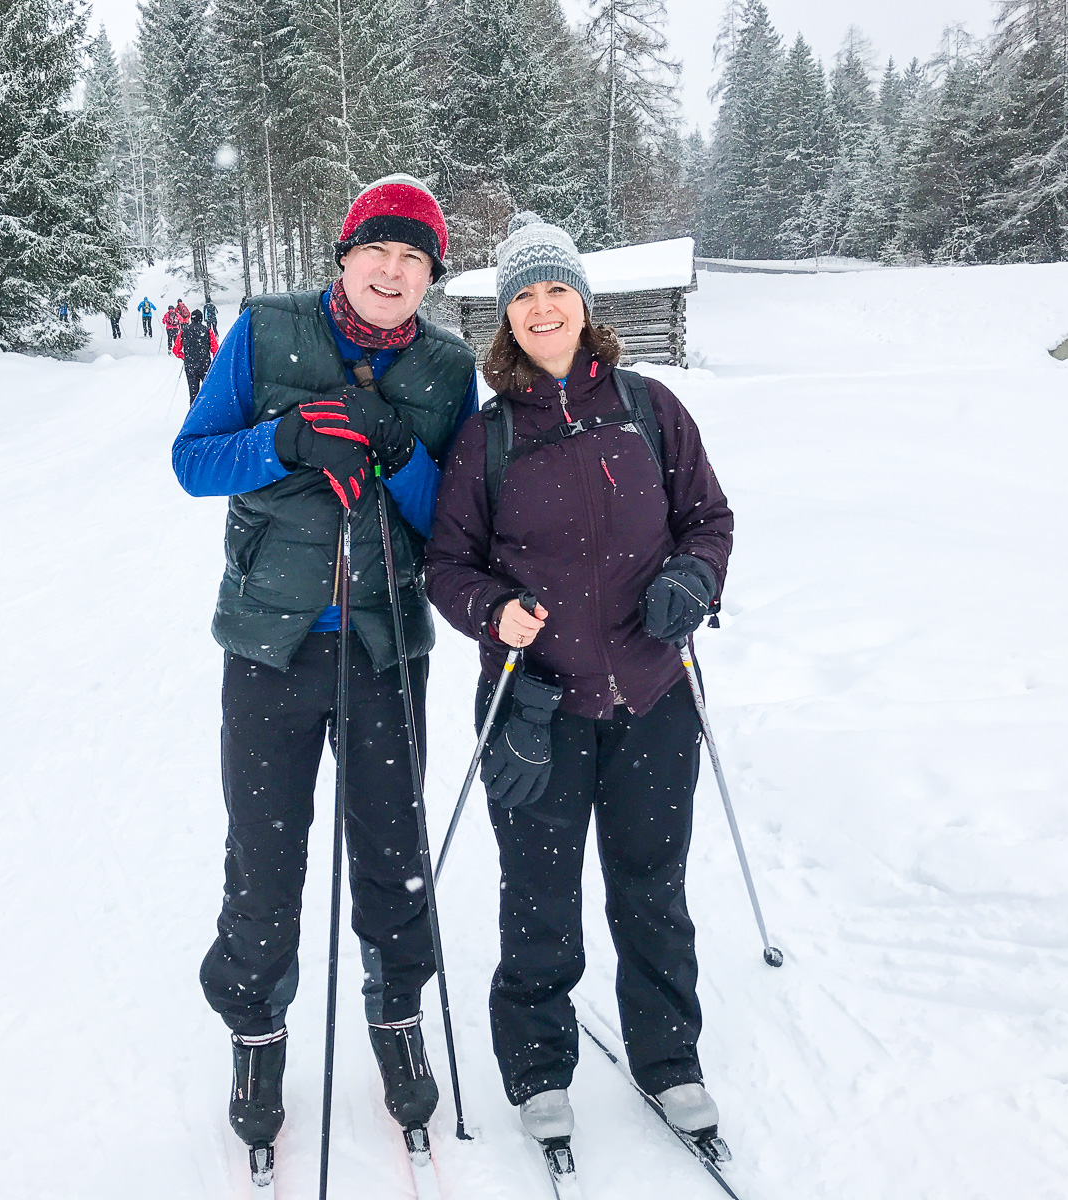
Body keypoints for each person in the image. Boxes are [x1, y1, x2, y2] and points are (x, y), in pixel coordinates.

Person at [171, 175, 479, 1155]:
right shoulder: (264, 334)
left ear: (429, 276)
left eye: (413, 260)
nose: (391, 273)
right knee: (265, 858)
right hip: (271, 646)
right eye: (375, 252)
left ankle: (395, 1016)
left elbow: (455, 524)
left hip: (388, 647)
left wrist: (402, 460)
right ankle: (256, 1027)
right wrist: (283, 439)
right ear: (343, 256)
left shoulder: (445, 370)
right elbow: (193, 461)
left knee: (393, 849)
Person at [424, 213, 735, 1150]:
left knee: (651, 887)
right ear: (507, 319)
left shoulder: (648, 410)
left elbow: (709, 520)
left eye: (556, 288)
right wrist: (491, 612)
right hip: (538, 710)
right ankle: (537, 1065)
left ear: (584, 303)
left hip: (653, 696)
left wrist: (692, 580)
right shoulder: (486, 440)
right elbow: (448, 564)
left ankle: (669, 1059)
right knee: (540, 894)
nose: (543, 306)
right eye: (524, 294)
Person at [172, 309, 219, 405]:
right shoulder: (207, 330)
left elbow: (176, 350)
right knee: (208, 392)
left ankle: (194, 415)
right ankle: (208, 412)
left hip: (190, 366)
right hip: (205, 364)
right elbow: (215, 349)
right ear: (201, 319)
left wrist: (184, 356)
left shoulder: (184, 331)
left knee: (193, 393)